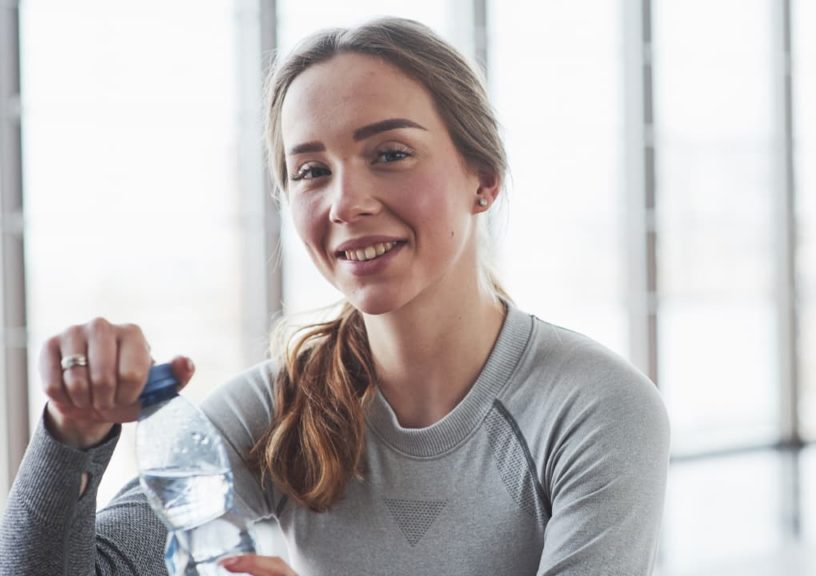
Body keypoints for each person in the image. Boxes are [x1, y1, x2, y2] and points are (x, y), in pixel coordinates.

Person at [0, 17, 670, 576]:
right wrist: (72, 435)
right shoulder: (274, 410)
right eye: (312, 171)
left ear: (483, 178)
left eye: (390, 154)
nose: (346, 202)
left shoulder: (596, 409)